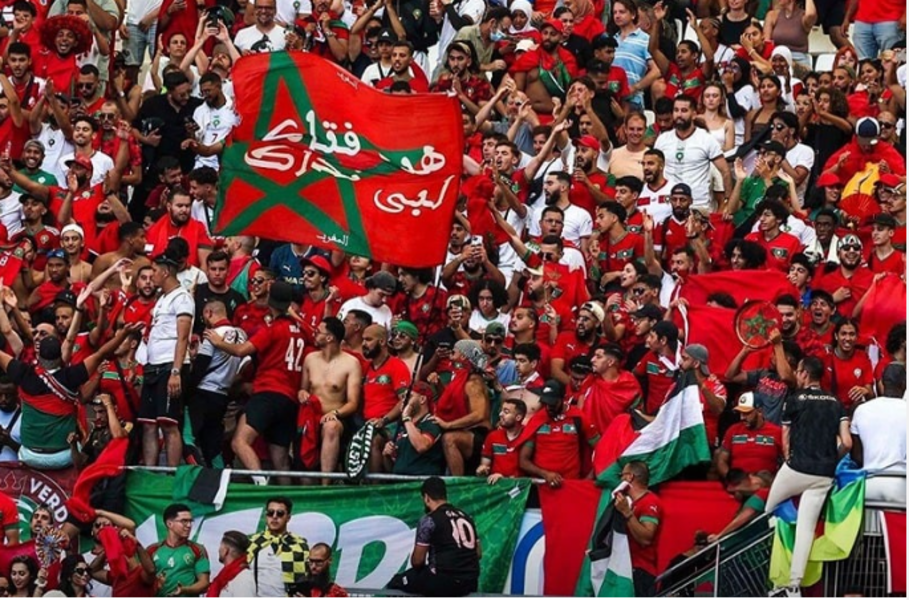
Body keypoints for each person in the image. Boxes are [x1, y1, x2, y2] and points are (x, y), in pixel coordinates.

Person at [764, 356, 852, 598]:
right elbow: (847, 442)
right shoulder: (836, 402)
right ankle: (794, 584)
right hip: (824, 473)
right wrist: (833, 457)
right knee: (807, 528)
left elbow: (786, 438)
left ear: (803, 374)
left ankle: (772, 574)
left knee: (767, 511)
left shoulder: (795, 399)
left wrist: (789, 461)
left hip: (796, 469)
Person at [204, 281, 305, 485]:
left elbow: (241, 350)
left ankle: (260, 483)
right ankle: (286, 500)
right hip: (290, 400)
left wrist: (218, 342)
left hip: (268, 392)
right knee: (281, 460)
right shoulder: (301, 330)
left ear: (271, 301)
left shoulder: (272, 329)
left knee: (239, 442)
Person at [139, 251, 194, 468]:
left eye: (153, 270)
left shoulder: (182, 298)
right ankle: (151, 473)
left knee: (169, 424)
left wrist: (176, 371)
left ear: (165, 271)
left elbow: (182, 337)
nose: (151, 275)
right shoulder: (162, 298)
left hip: (170, 367)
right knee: (149, 424)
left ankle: (171, 474)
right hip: (153, 367)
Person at [387, 477, 481, 596]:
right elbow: (478, 553)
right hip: (470, 582)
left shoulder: (429, 520)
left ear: (426, 498)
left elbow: (417, 561)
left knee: (395, 584)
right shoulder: (466, 517)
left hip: (443, 582)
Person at [301, 316, 362, 479]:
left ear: (329, 338)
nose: (314, 333)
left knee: (331, 426)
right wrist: (302, 393)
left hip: (338, 417)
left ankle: (325, 482)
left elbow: (353, 403)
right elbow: (303, 389)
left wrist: (335, 413)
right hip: (311, 416)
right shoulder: (310, 359)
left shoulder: (351, 363)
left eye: (318, 332)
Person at [518, 379, 600, 487]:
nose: (549, 407)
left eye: (553, 403)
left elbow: (600, 449)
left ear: (562, 398)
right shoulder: (537, 420)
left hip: (571, 484)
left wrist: (589, 478)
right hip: (542, 485)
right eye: (546, 403)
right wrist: (545, 474)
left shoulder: (578, 418)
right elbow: (523, 461)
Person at [849, 362, 906, 505]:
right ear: (904, 384)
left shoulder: (862, 410)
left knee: (870, 527)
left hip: (869, 484)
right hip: (902, 484)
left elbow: (856, 456)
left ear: (881, 383)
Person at [613, 461, 662, 597]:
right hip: (625, 568)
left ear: (629, 477)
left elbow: (646, 538)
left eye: (621, 475)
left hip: (641, 571)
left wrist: (627, 513)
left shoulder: (650, 501)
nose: (620, 479)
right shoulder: (630, 503)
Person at [247, 497, 310, 598]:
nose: (274, 517)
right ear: (266, 516)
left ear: (288, 517)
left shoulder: (299, 545)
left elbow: (307, 577)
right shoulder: (252, 542)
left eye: (280, 513)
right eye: (271, 513)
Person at [715, 392, 784, 479]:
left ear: (759, 411)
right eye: (740, 413)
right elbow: (721, 460)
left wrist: (777, 480)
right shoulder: (733, 430)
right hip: (738, 483)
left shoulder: (776, 432)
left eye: (746, 413)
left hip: (765, 482)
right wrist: (731, 478)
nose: (742, 417)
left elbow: (788, 460)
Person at [383, 382, 446, 476]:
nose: (404, 400)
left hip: (421, 482)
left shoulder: (431, 423)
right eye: (403, 397)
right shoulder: (403, 428)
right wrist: (386, 455)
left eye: (409, 396)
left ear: (422, 399)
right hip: (399, 483)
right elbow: (392, 468)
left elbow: (422, 446)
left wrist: (406, 418)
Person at [148, 504, 211, 597]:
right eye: (184, 521)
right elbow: (142, 582)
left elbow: (204, 583)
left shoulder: (197, 549)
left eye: (190, 521)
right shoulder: (152, 550)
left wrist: (185, 590)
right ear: (169, 523)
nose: (189, 525)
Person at [476, 397, 526, 483]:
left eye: (506, 412)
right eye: (501, 411)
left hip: (522, 487)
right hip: (496, 486)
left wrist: (506, 478)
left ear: (518, 417)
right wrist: (482, 471)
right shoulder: (493, 436)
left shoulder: (528, 436)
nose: (500, 414)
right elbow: (485, 465)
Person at [209, 531, 255, 597]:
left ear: (225, 551)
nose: (218, 550)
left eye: (220, 546)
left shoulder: (243, 579)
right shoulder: (223, 576)